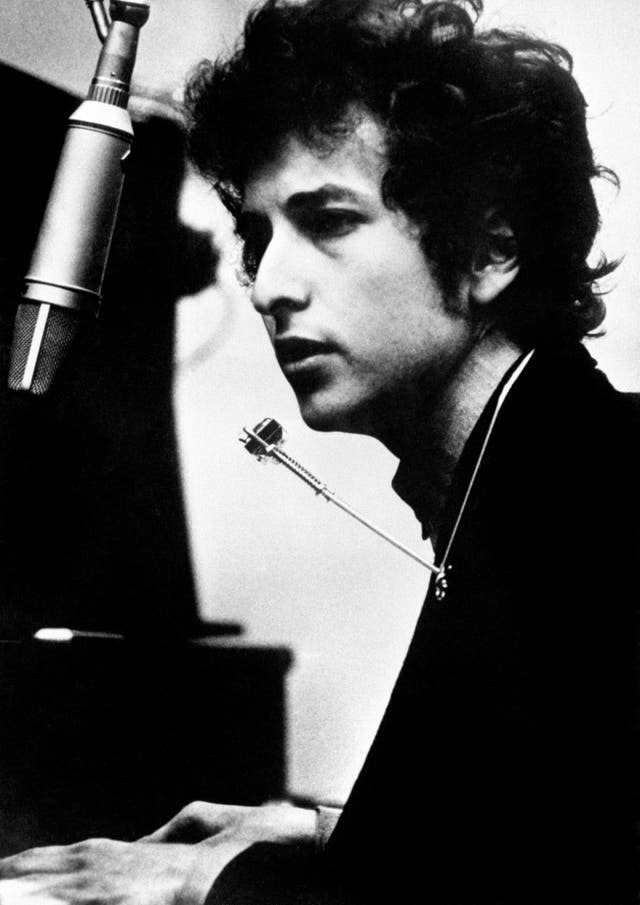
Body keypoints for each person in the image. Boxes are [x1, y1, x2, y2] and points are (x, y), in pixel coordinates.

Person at [0, 0, 638, 902]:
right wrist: (332, 827)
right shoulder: (549, 468)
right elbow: (560, 823)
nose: (270, 285)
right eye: (256, 237)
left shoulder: (592, 504)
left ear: (494, 246)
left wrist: (204, 884)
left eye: (329, 220)